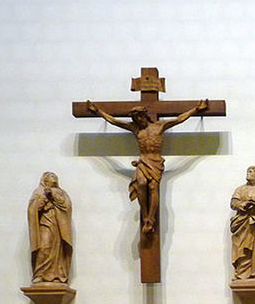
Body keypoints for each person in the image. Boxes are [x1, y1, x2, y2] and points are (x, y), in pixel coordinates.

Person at [86, 99, 208, 234]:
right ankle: (145, 216)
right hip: (143, 161)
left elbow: (179, 119)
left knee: (153, 187)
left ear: (145, 115)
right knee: (142, 183)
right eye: (135, 118)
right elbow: (114, 121)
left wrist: (196, 109)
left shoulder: (160, 126)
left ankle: (151, 217)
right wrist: (98, 111)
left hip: (155, 161)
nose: (138, 120)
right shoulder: (134, 128)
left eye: (139, 116)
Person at [27, 172, 72, 283]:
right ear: (45, 180)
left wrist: (53, 195)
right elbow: (33, 209)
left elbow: (67, 206)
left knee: (58, 250)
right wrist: (44, 198)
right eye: (52, 176)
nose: (54, 178)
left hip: (58, 226)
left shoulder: (62, 192)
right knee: (44, 247)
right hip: (45, 224)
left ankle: (57, 275)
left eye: (55, 177)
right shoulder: (38, 192)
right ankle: (40, 274)